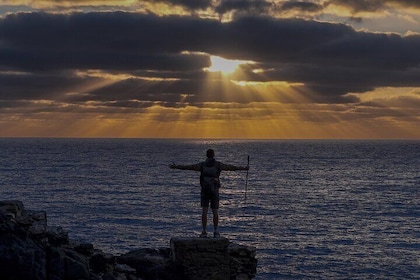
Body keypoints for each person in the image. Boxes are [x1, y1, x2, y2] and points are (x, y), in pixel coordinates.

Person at [169, 149, 249, 238]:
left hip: (205, 190)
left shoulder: (202, 165)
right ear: (213, 155)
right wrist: (244, 168)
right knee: (215, 212)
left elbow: (189, 167)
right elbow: (231, 167)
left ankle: (204, 231)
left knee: (204, 211)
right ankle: (216, 231)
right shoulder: (218, 165)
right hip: (214, 190)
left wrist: (176, 167)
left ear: (206, 155)